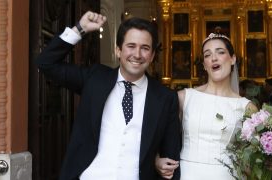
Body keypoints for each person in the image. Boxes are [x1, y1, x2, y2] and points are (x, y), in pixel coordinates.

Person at [36, 11, 181, 180]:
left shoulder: (165, 98)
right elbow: (46, 63)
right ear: (118, 50)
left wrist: (157, 162)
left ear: (153, 56)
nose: (137, 54)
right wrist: (80, 29)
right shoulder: (95, 78)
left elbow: (171, 160)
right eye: (131, 46)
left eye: (145, 48)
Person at [155, 33, 258, 179]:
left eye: (220, 52)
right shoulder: (184, 97)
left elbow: (253, 157)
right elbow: (157, 135)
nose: (214, 58)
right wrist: (156, 160)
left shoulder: (247, 107)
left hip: (227, 175)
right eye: (207, 55)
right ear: (204, 64)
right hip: (188, 174)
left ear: (233, 58)